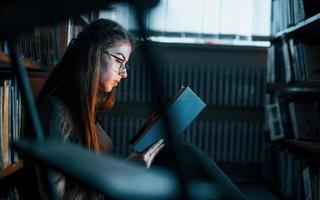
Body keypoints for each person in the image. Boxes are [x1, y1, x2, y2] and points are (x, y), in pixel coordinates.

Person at [36, 18, 164, 199]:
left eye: (125, 64)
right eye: (119, 60)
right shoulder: (57, 111)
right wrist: (123, 172)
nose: (124, 72)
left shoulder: (86, 109)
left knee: (179, 153)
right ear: (93, 54)